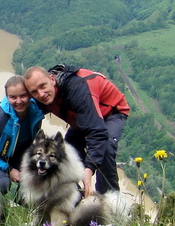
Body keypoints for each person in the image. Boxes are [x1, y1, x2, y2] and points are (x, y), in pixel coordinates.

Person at [22, 64, 130, 196]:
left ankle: (109, 201)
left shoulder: (77, 90)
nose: (41, 94)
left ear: (52, 79)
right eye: (34, 91)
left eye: (43, 86)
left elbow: (97, 132)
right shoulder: (40, 94)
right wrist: (0, 107)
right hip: (81, 118)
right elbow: (18, 97)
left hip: (110, 112)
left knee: (105, 148)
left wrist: (88, 169)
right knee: (66, 152)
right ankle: (73, 198)